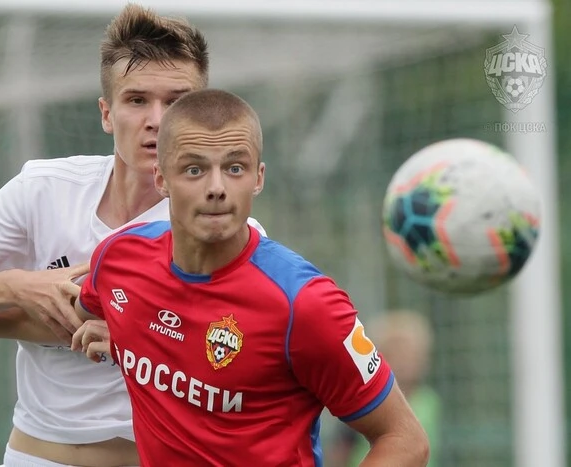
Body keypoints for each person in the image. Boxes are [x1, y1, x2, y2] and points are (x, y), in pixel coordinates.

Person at [0, 4, 264, 466]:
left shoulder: (227, 226)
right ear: (107, 114)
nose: (156, 120)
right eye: (137, 100)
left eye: (176, 101)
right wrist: (19, 286)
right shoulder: (44, 188)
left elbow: (230, 350)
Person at [72, 88, 430, 466]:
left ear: (258, 178)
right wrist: (130, 337)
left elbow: (405, 440)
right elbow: (85, 307)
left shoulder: (304, 303)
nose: (216, 189)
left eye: (234, 168)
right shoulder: (118, 259)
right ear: (161, 178)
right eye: (194, 169)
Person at [329, 310, 442, 467]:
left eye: (411, 355)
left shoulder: (429, 401)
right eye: (397, 354)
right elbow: (341, 450)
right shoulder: (364, 400)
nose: (405, 362)